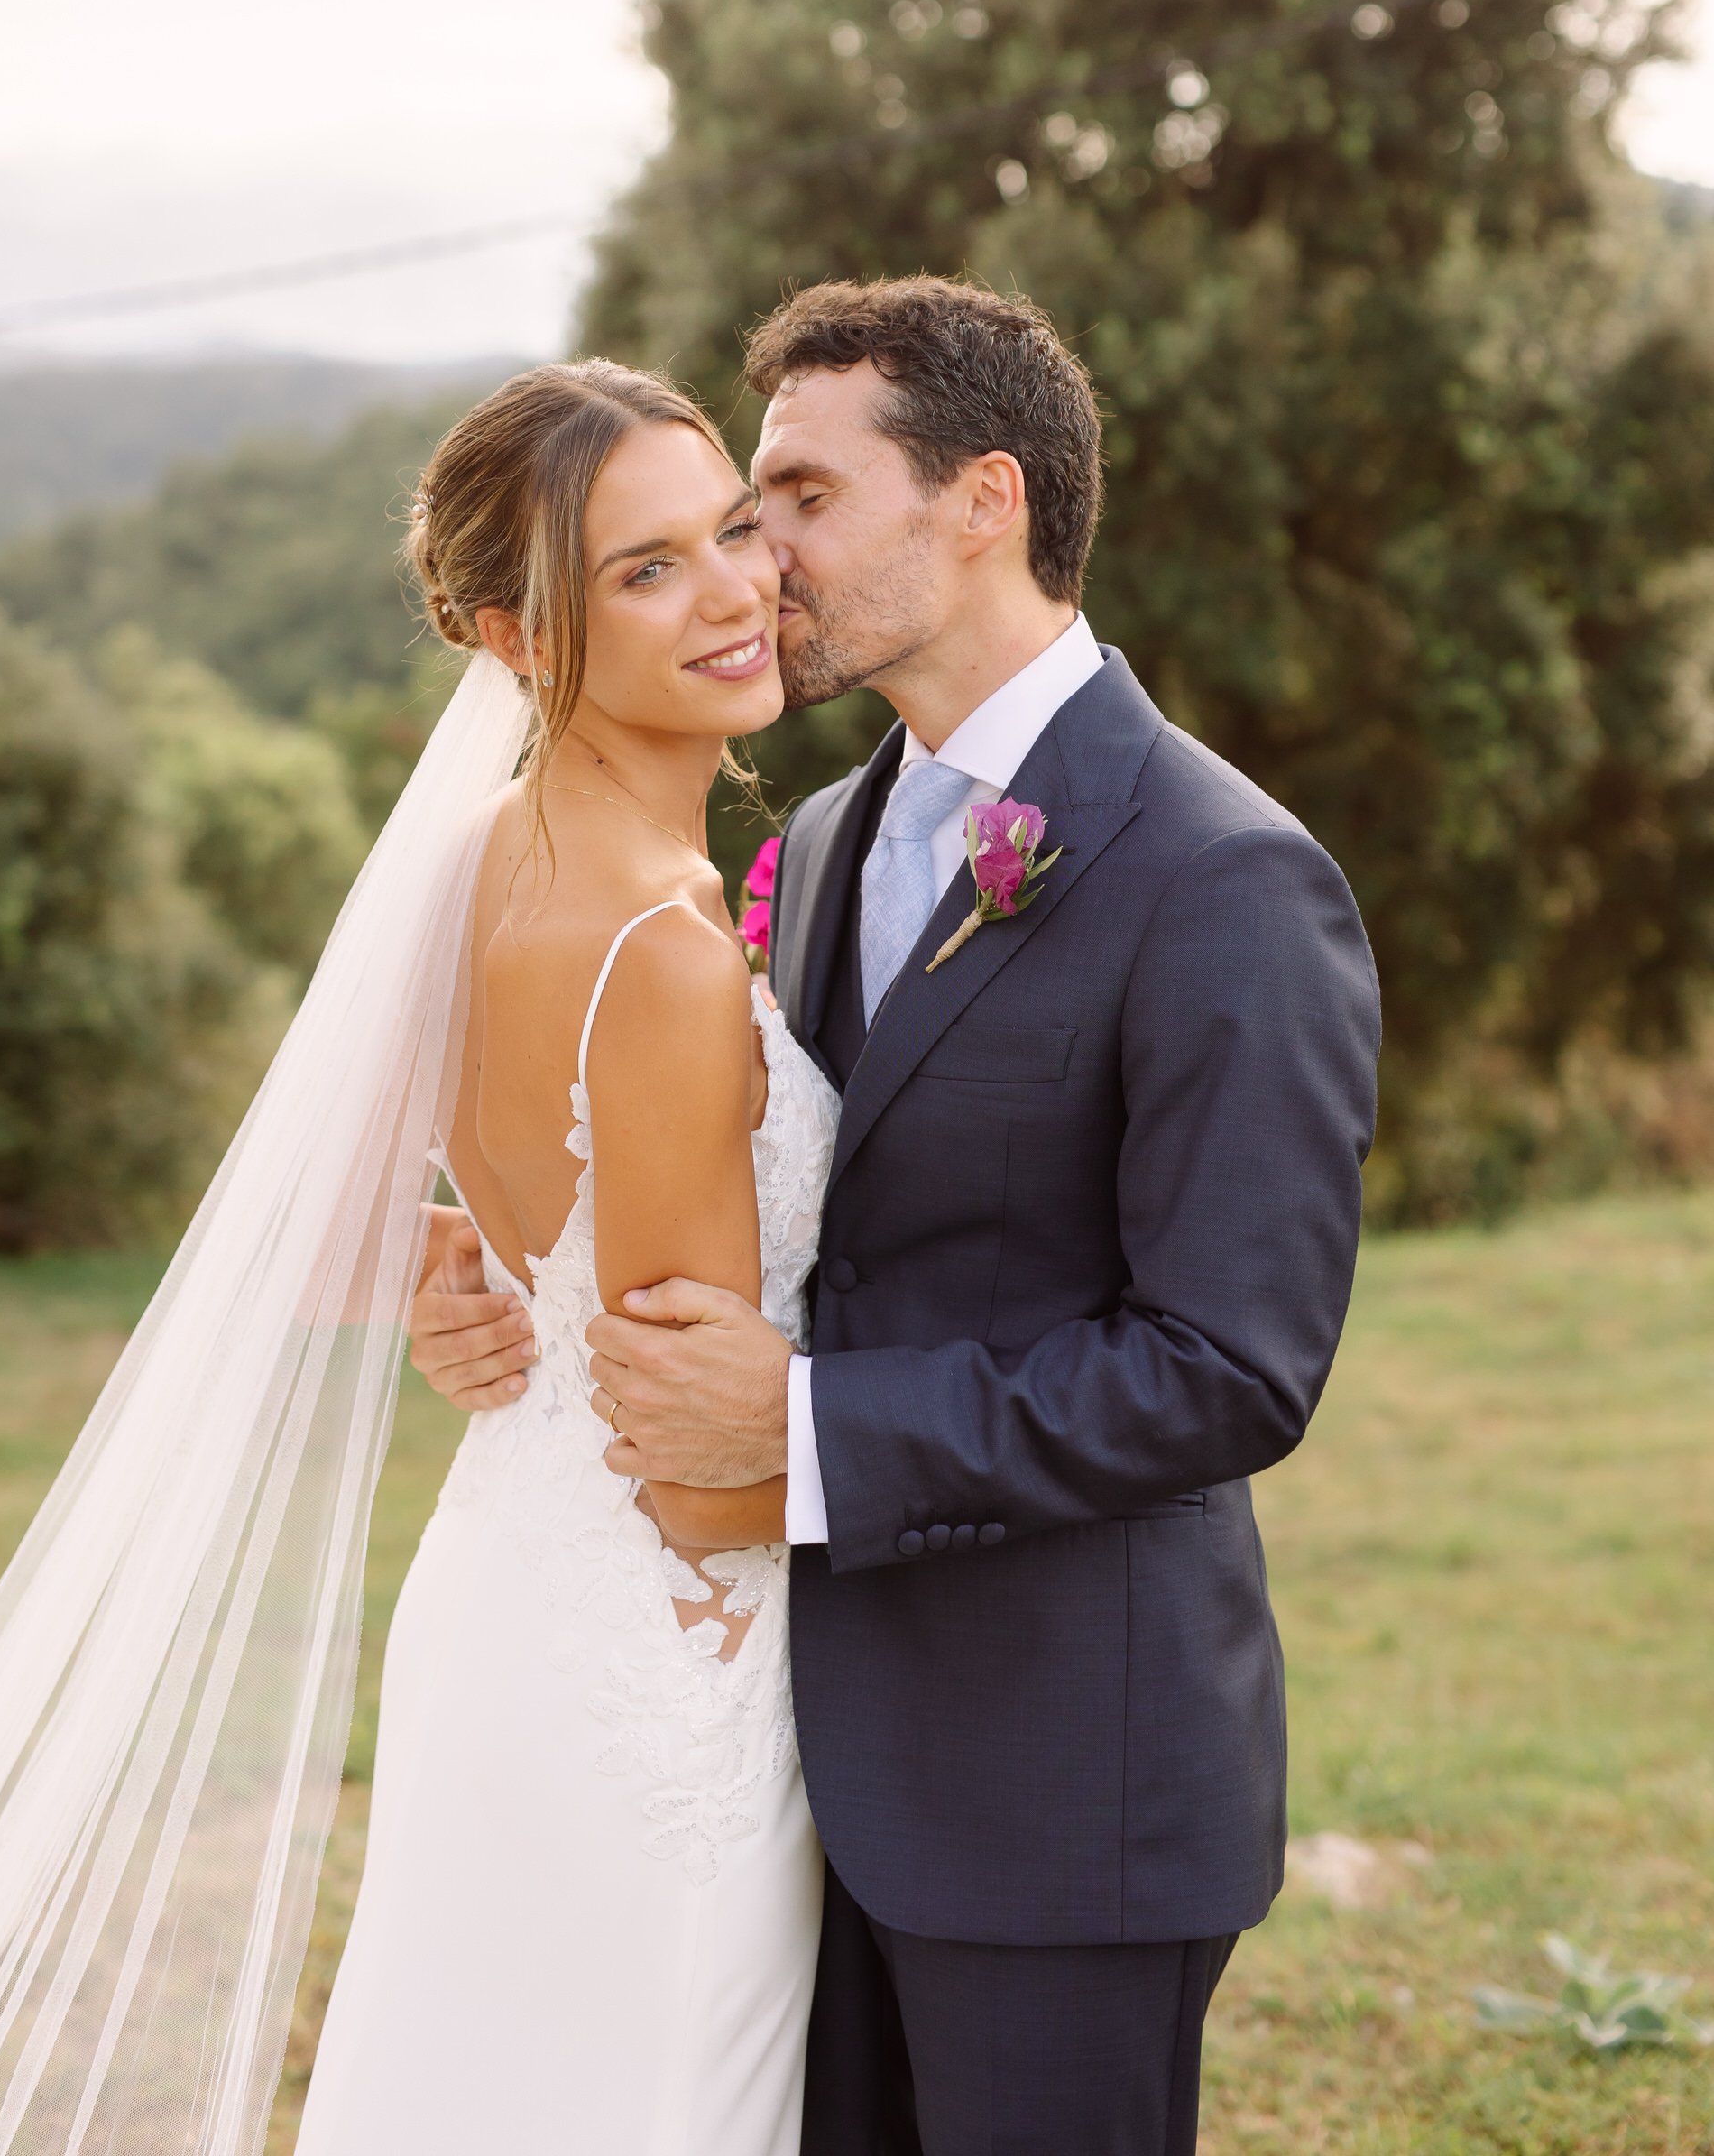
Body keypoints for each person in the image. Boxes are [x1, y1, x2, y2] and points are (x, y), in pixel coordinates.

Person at [413, 276, 1381, 2156]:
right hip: (789, 1761)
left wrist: (801, 1433)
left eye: (797, 499)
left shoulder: (1228, 878)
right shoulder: (818, 839)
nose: (757, 562)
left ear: (984, 500)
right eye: (733, 517)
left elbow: (1228, 1369)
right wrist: (492, 1281)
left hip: (1054, 1786)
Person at [294, 363, 838, 2154]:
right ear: (513, 636)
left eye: (733, 530)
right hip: (672, 1666)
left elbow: (317, 1230)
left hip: (502, 1603)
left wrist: (461, 1262)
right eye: (646, 570)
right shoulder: (663, 951)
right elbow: (697, 1475)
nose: (735, 592)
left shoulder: (468, 864)